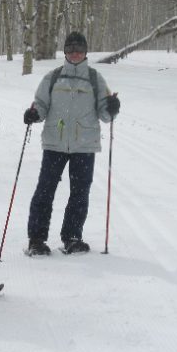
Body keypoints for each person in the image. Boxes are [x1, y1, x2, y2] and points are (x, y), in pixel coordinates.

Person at [23, 31, 120, 255]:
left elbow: (106, 116)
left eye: (79, 49)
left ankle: (73, 237)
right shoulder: (53, 77)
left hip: (84, 146)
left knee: (79, 193)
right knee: (45, 191)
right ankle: (36, 239)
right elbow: (41, 105)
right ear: (64, 52)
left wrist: (112, 108)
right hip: (54, 144)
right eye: (70, 49)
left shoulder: (95, 78)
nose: (75, 54)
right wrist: (33, 115)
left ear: (86, 52)